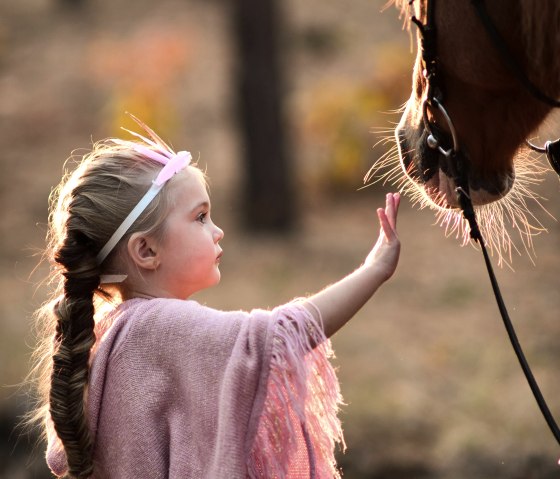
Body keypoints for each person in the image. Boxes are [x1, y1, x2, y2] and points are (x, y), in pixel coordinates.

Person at [30, 116, 400, 479]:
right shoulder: (158, 328)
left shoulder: (117, 331)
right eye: (200, 217)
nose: (218, 231)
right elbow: (279, 336)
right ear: (145, 250)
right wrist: (374, 270)